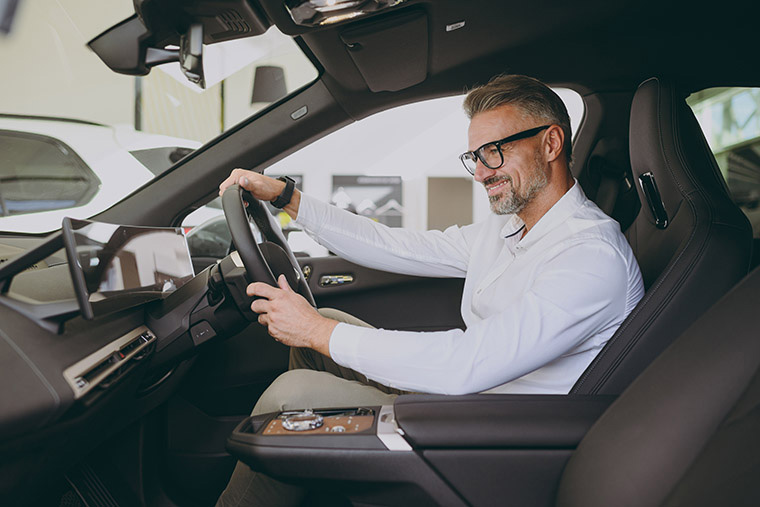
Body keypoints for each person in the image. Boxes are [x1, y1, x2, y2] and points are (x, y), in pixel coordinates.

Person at [216, 74, 645, 506]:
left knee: (288, 400)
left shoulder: (590, 256)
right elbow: (398, 246)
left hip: (488, 438)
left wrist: (316, 331)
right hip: (461, 403)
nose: (480, 172)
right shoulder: (510, 227)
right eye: (475, 156)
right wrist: (289, 199)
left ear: (551, 144)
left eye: (494, 152)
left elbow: (469, 362)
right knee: (321, 336)